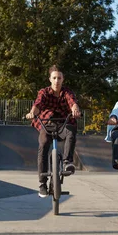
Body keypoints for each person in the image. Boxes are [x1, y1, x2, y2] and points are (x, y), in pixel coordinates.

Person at [26, 65, 81, 198]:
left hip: (63, 124)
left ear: (63, 79)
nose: (57, 81)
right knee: (43, 144)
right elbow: (38, 105)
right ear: (50, 79)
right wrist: (32, 113)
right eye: (54, 78)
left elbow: (72, 102)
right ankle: (42, 184)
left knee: (71, 132)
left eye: (59, 78)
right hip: (47, 124)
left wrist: (75, 109)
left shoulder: (67, 92)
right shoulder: (44, 92)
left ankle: (68, 162)